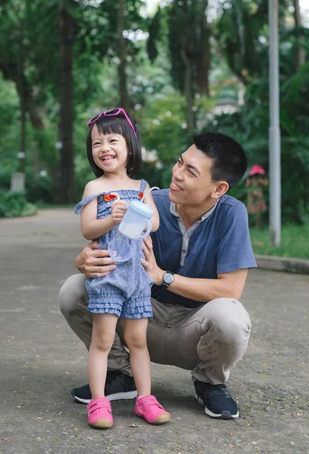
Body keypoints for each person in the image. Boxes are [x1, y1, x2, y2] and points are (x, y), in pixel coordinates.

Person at [60, 132, 257, 420]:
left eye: (190, 171)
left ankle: (209, 382)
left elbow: (230, 289)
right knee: (74, 289)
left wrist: (162, 276)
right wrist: (84, 260)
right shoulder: (148, 202)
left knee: (231, 316)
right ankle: (119, 374)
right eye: (180, 162)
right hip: (142, 318)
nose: (176, 174)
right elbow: (105, 239)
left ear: (218, 188)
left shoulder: (232, 214)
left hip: (193, 329)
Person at [73, 107, 170, 429]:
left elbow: (154, 222)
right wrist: (110, 219)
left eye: (112, 140)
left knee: (137, 340)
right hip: (109, 276)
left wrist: (137, 212)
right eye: (96, 143)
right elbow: (88, 230)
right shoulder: (94, 188)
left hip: (138, 277)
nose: (104, 148)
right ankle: (99, 403)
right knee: (102, 340)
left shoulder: (142, 186)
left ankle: (145, 398)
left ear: (130, 146)